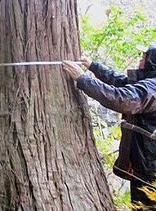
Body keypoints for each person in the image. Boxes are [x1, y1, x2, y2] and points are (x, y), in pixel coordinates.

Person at [62, 45, 156, 208]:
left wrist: (83, 80)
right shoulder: (148, 82)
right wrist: (94, 66)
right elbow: (121, 82)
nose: (140, 60)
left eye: (144, 58)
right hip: (144, 161)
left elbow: (122, 98)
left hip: (150, 166)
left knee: (146, 205)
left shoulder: (152, 87)